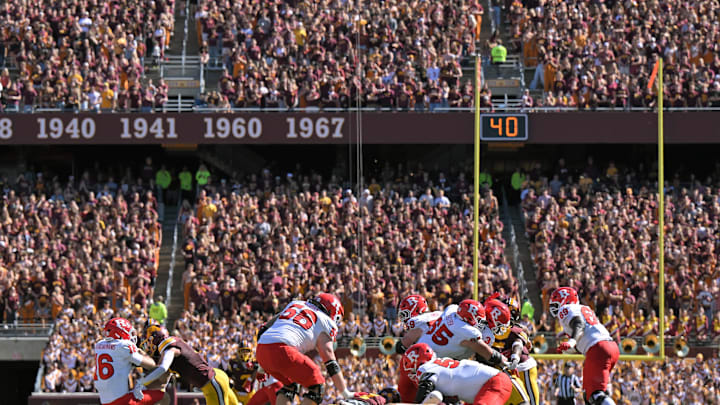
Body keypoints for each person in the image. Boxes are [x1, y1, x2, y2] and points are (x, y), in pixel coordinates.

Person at [256, 293, 370, 405]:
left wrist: (262, 367)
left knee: (289, 385)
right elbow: (329, 359)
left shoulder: (296, 304)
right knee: (317, 386)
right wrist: (345, 393)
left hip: (261, 350)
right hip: (284, 350)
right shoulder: (325, 321)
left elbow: (263, 330)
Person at [138, 323, 238, 405]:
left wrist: (142, 382)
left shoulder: (169, 349)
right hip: (215, 377)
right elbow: (164, 376)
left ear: (154, 339)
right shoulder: (174, 345)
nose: (147, 345)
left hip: (211, 382)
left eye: (148, 341)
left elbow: (163, 368)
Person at [550, 287, 619, 405]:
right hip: (610, 347)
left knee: (595, 394)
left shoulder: (566, 309)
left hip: (598, 348)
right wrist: (572, 349)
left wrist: (572, 341)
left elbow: (579, 324)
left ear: (565, 300)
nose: (554, 307)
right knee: (589, 395)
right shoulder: (584, 308)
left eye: (556, 303)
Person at [402, 343, 512, 405]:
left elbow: (425, 389)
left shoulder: (425, 368)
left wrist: (421, 401)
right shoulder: (440, 367)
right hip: (484, 387)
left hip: (493, 383)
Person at [94, 318, 166, 405]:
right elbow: (151, 365)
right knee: (164, 396)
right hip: (122, 401)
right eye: (128, 331)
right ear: (119, 332)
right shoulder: (123, 345)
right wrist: (143, 354)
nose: (130, 335)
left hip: (105, 401)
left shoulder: (99, 345)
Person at [484, 298, 539, 405]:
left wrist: (515, 357)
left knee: (530, 402)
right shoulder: (487, 330)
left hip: (522, 367)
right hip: (506, 369)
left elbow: (519, 344)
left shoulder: (516, 329)